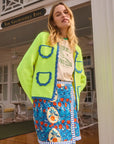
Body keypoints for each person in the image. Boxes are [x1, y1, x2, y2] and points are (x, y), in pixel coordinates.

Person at [17, 2, 86, 144]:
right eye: (58, 14)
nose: (63, 15)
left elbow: (82, 78)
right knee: (52, 140)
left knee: (69, 140)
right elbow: (23, 69)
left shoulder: (76, 48)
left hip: (68, 98)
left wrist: (74, 95)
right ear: (53, 22)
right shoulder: (43, 38)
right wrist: (36, 97)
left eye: (66, 12)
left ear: (71, 17)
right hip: (47, 98)